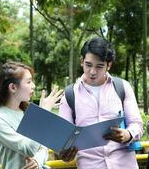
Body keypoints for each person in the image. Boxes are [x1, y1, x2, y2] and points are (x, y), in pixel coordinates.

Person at [58, 37, 143, 169]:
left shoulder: (122, 87)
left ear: (108, 65)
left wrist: (127, 134)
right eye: (88, 65)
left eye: (99, 66)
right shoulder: (70, 94)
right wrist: (64, 152)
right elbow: (63, 137)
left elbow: (136, 124)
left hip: (124, 164)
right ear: (82, 61)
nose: (92, 72)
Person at [0, 61, 63, 169]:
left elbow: (43, 147)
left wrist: (37, 161)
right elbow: (28, 148)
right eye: (29, 82)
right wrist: (43, 114)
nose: (33, 86)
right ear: (13, 87)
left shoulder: (27, 111)